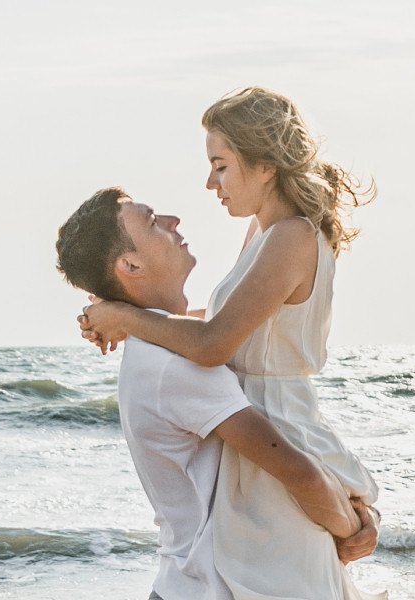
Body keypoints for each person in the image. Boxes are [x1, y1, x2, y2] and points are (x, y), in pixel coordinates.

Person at [82, 87, 380, 600]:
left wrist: (126, 316)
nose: (210, 183)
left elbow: (214, 343)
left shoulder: (292, 235)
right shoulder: (264, 230)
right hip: (255, 424)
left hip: (277, 420)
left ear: (264, 165)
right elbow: (231, 321)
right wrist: (129, 318)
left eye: (220, 166)